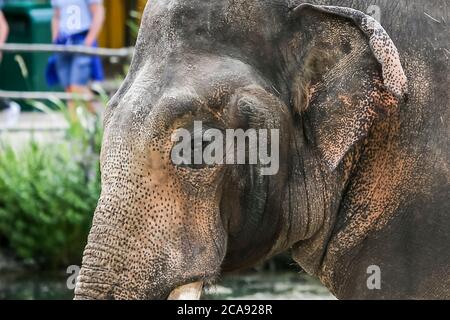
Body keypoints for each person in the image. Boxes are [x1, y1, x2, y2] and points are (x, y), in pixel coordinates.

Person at [47, 0, 105, 119]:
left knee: (77, 87)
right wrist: (55, 40)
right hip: (63, 42)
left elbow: (99, 12)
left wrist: (89, 40)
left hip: (81, 39)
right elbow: (56, 16)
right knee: (69, 90)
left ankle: (98, 118)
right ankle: (75, 127)